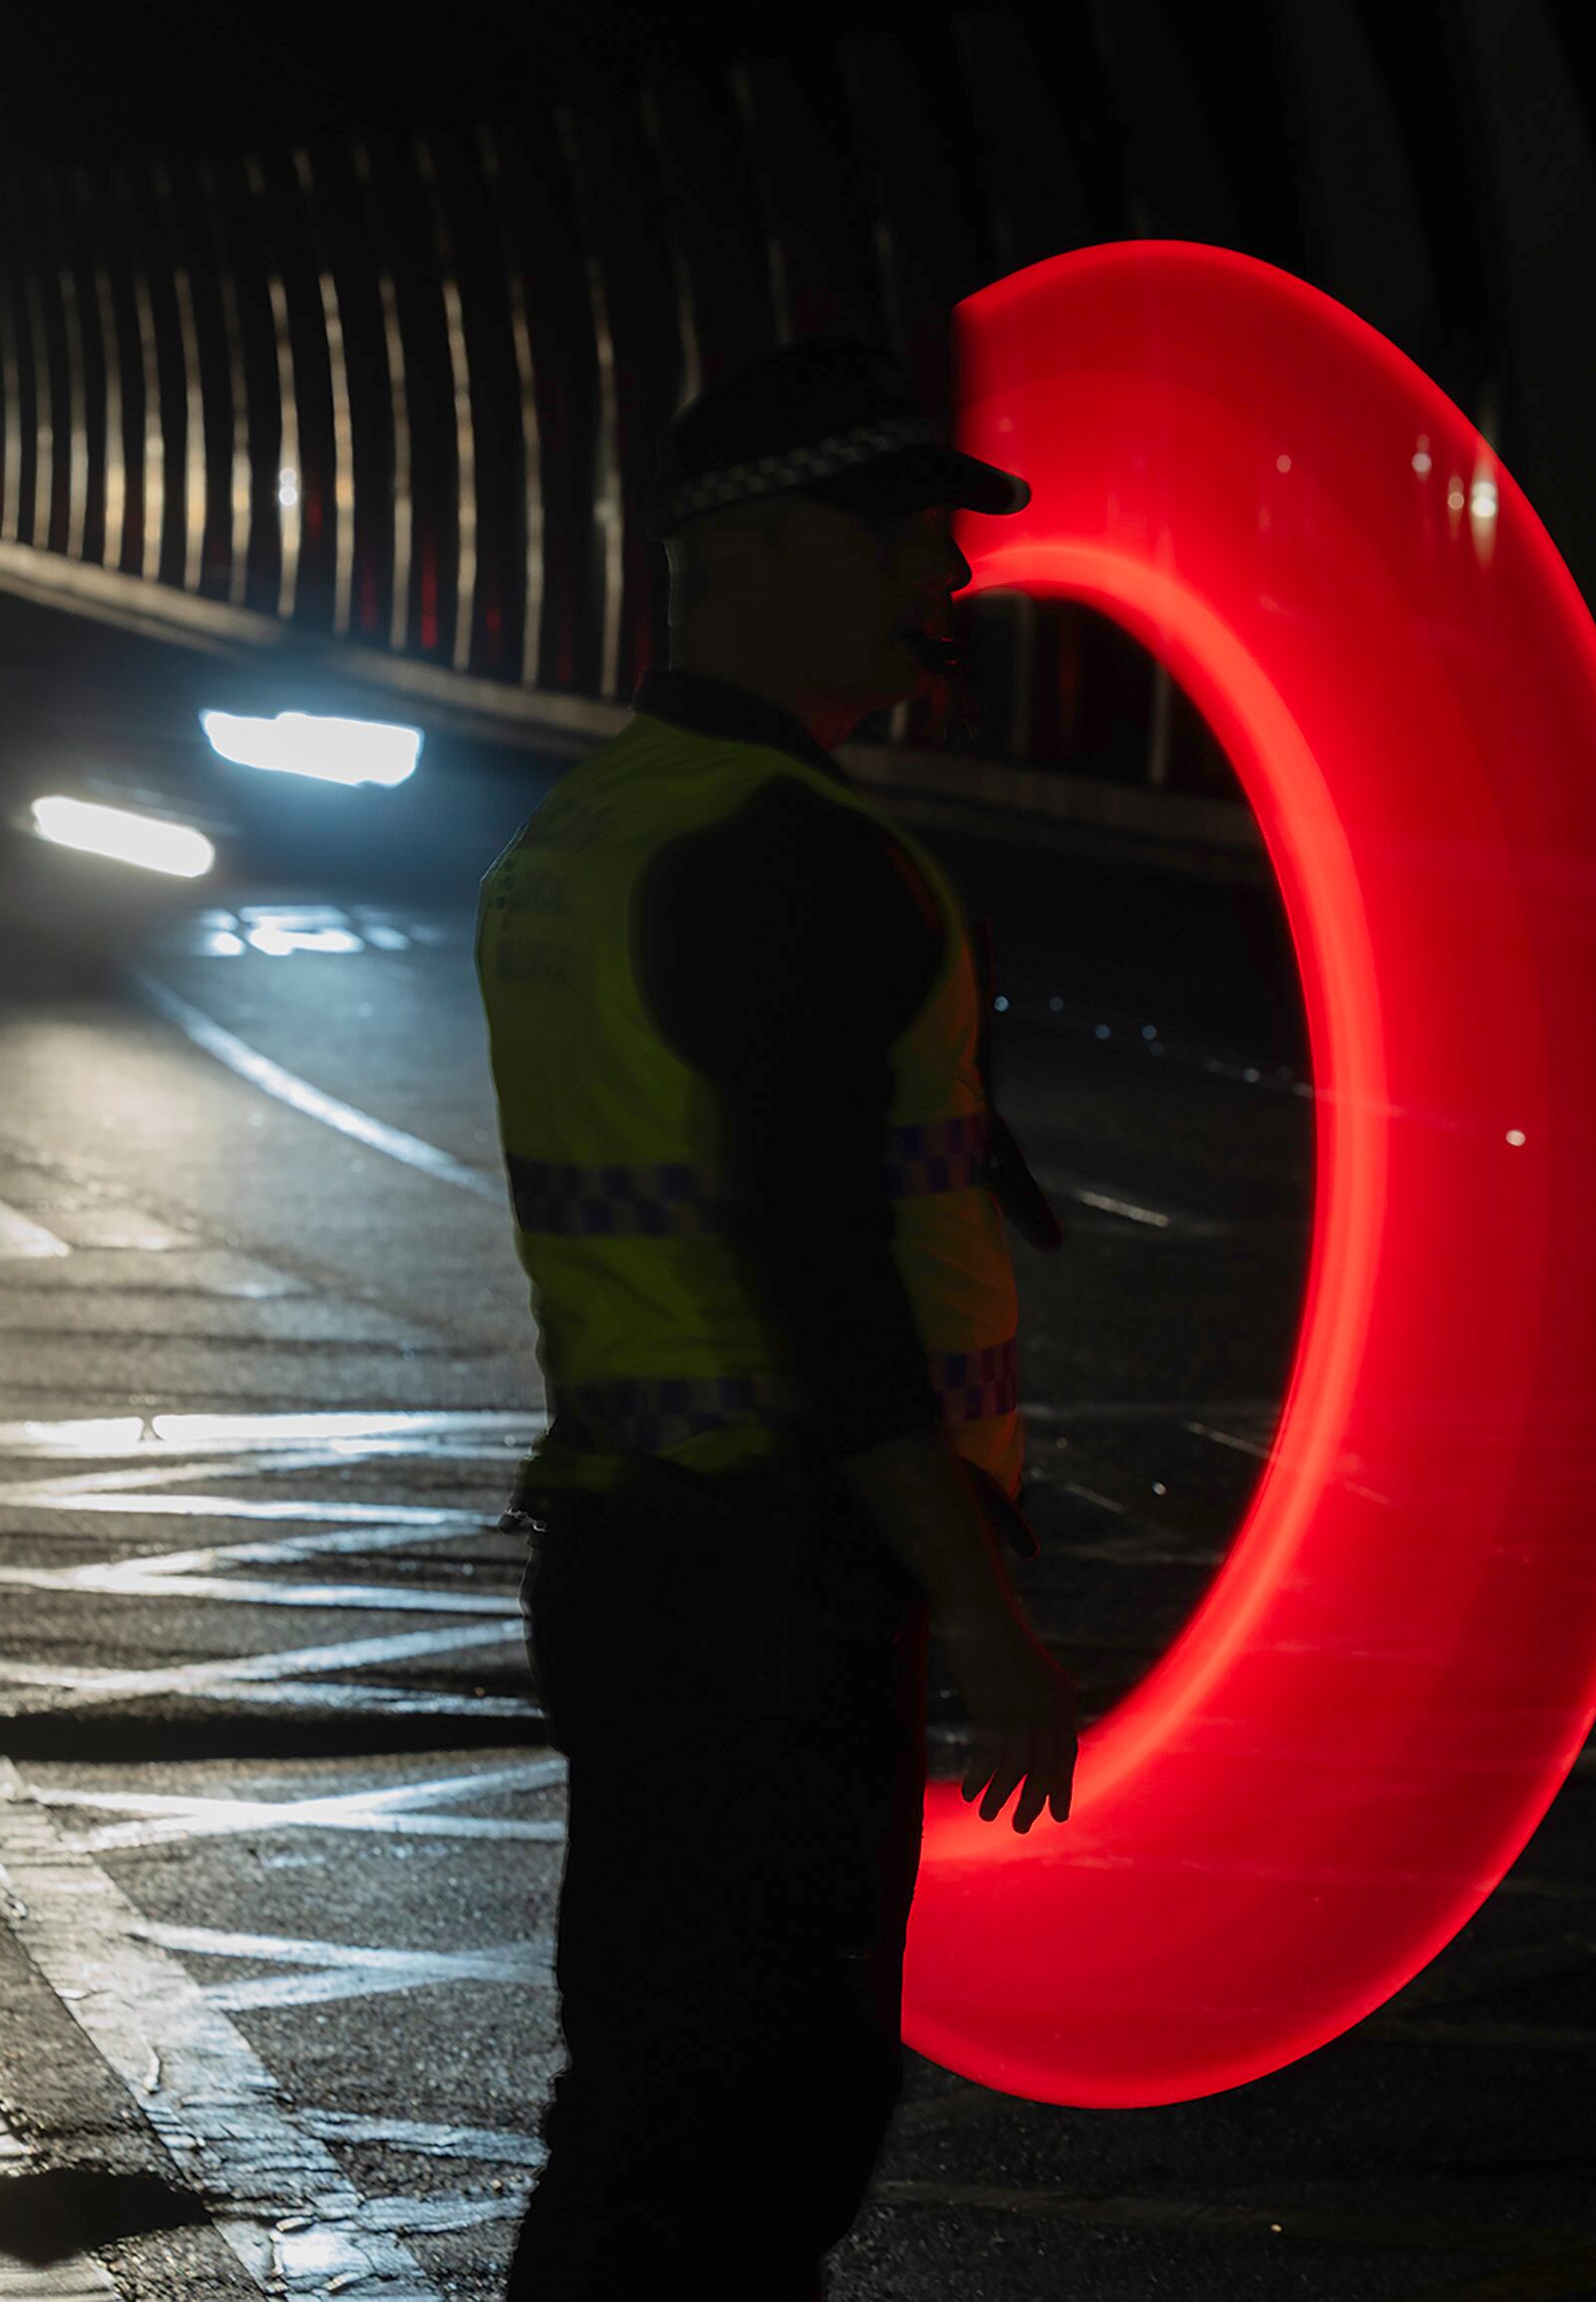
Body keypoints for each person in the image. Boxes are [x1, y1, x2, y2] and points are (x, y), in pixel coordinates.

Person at [477, 336, 1080, 2302]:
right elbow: (816, 1276)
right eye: (908, 536)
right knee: (755, 2136)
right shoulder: (791, 856)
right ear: (762, 545)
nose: (950, 581)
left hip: (637, 1557)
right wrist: (980, 1613)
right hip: (772, 1584)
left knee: (654, 2109)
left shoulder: (603, 825)